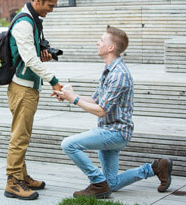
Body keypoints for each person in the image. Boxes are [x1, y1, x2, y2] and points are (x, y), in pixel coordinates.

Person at [54, 25, 173, 199]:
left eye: (101, 40)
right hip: (109, 130)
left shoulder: (119, 75)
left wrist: (74, 99)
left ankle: (97, 182)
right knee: (112, 183)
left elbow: (101, 111)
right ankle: (155, 168)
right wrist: (69, 95)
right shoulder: (109, 70)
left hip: (115, 133)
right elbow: (95, 100)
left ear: (110, 47)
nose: (97, 42)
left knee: (68, 144)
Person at [4, 0, 62, 200]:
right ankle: (13, 182)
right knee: (19, 137)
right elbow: (28, 59)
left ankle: (22, 176)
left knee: (23, 135)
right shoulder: (24, 23)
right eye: (50, 5)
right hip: (22, 88)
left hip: (27, 86)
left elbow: (30, 55)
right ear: (37, 0)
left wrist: (42, 54)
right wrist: (54, 81)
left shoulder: (33, 19)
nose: (51, 10)